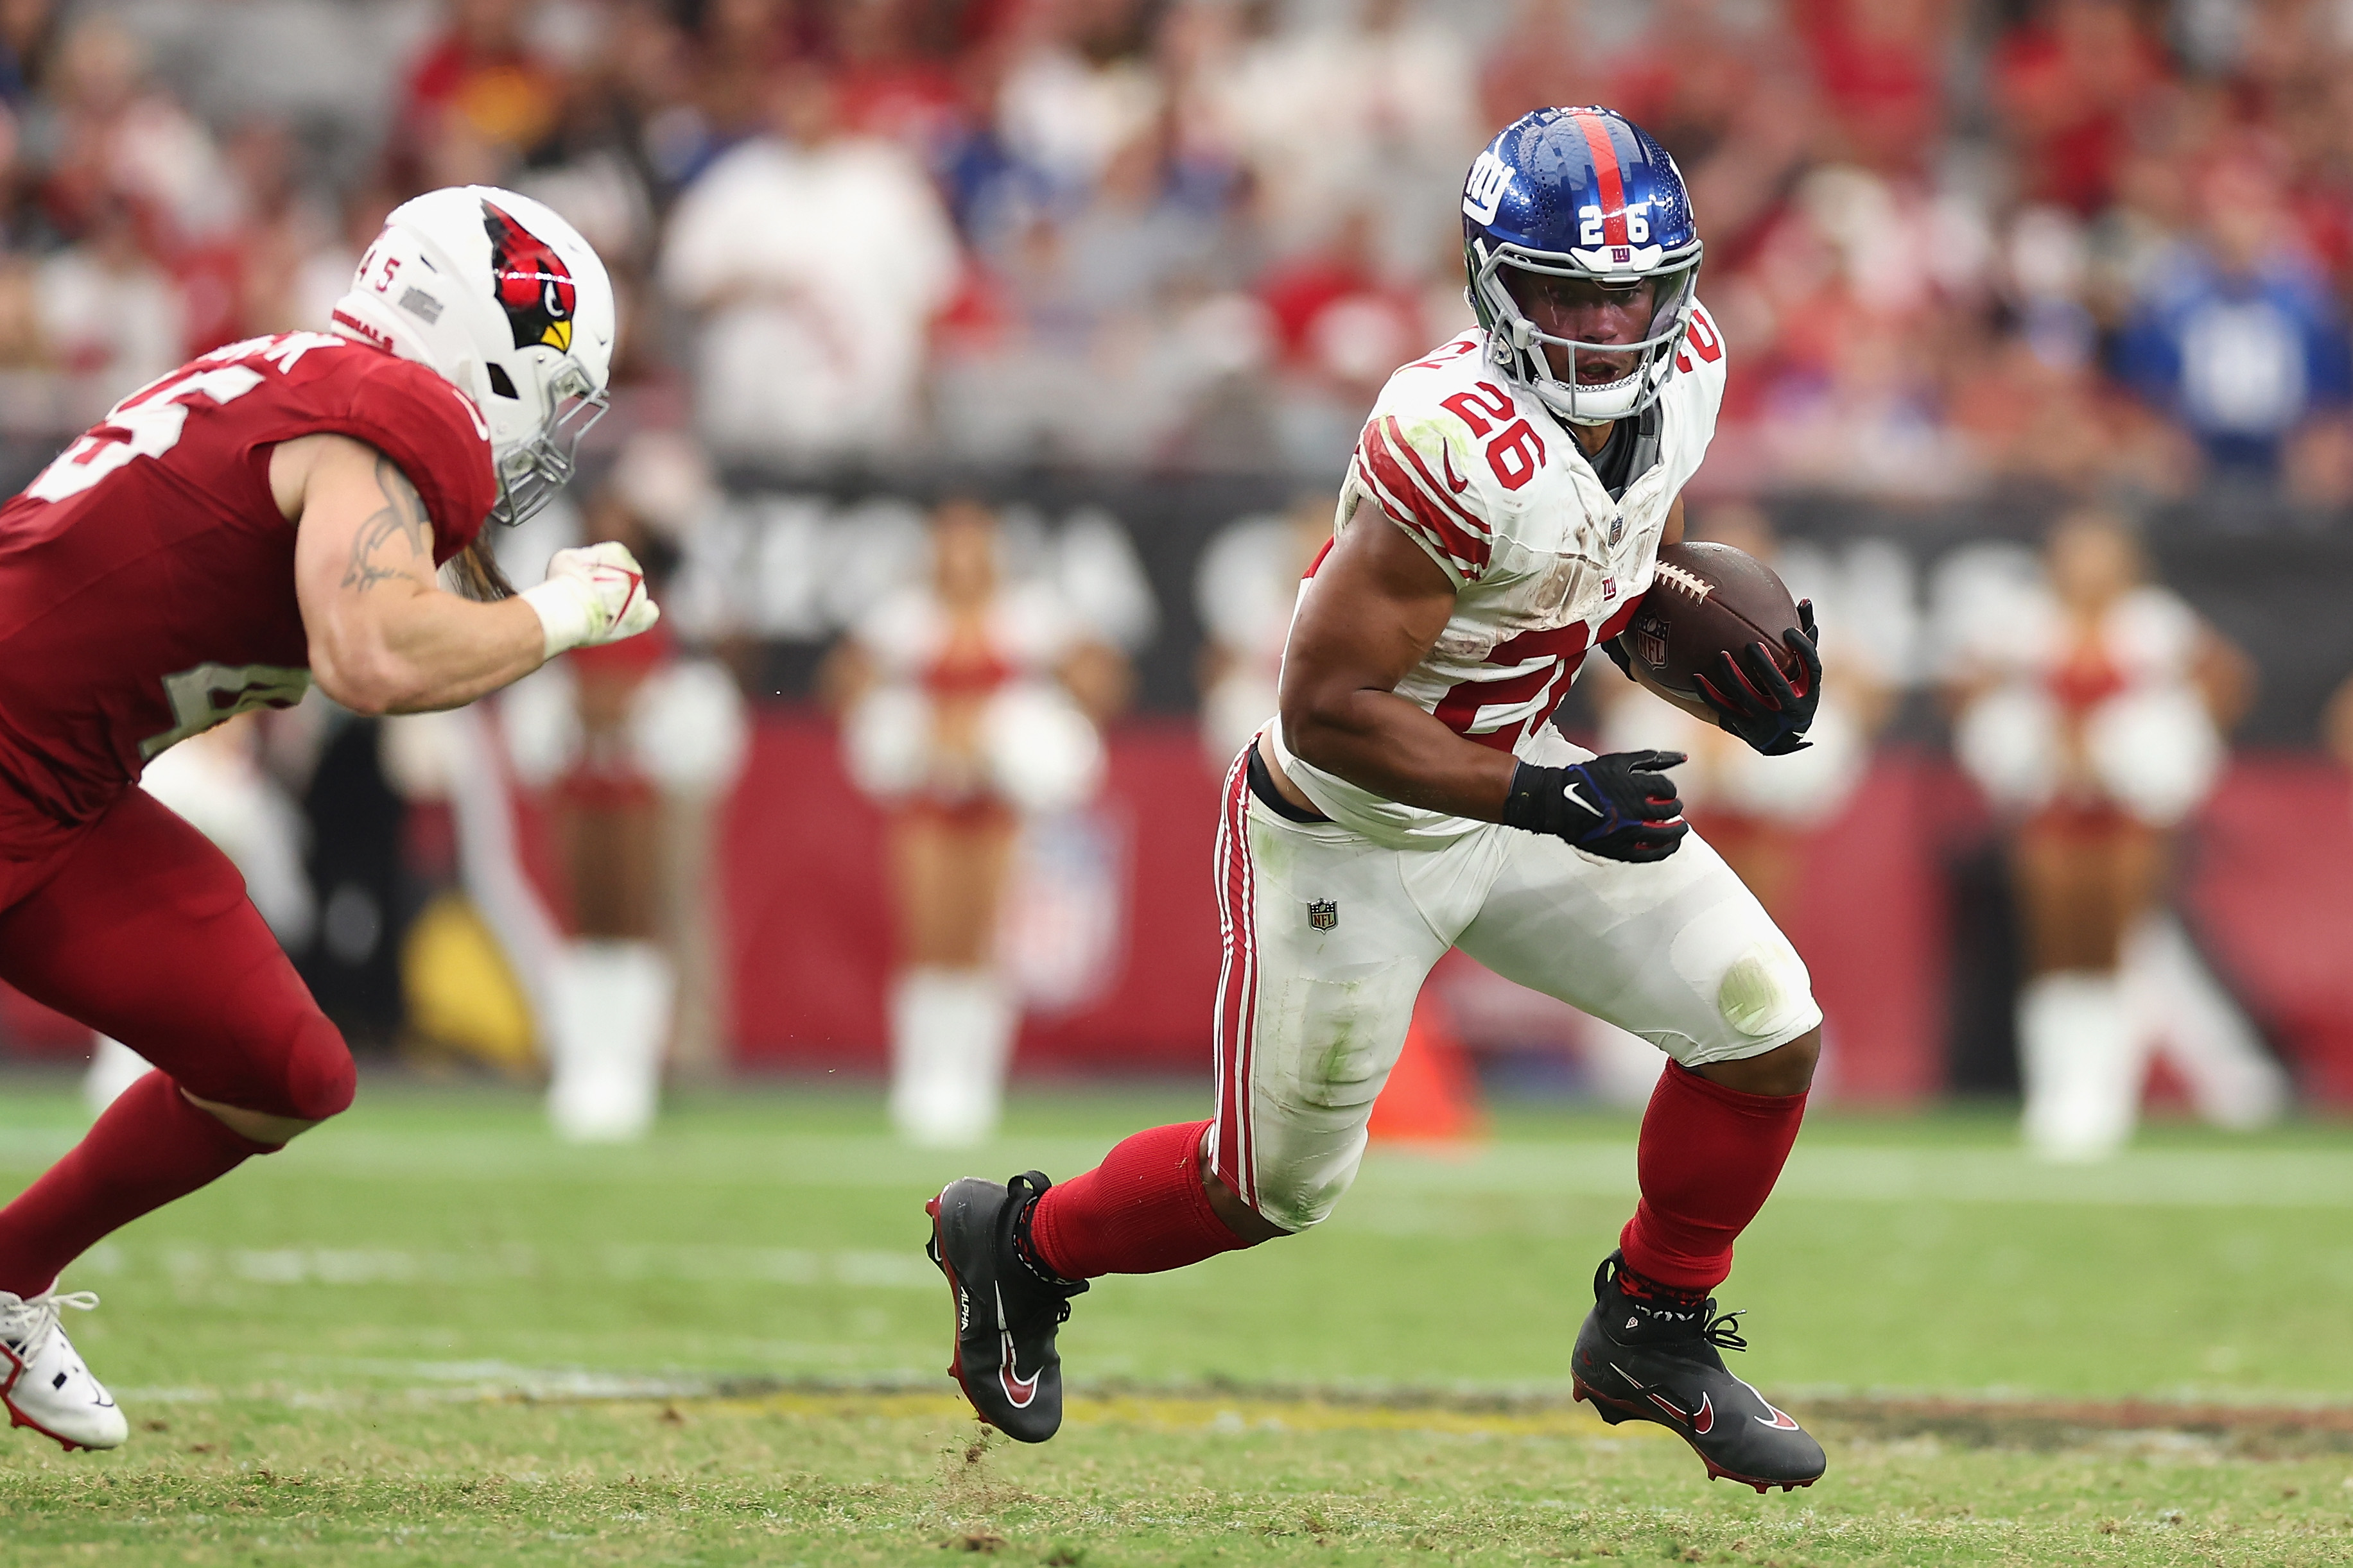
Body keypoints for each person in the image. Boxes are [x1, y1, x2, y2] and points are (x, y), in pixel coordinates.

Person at [926, 108, 1832, 1493]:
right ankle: (1021, 1244)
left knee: (1763, 1023)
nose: (1605, 329)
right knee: (1267, 1187)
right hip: (1351, 824)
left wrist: (1696, 647)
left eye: (1632, 294)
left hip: (1522, 783)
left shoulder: (1689, 370)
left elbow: (1594, 566)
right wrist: (1547, 792)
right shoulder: (1448, 437)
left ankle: (1648, 1328)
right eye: (1566, 296)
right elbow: (1327, 710)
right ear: (1490, 284)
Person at [0, 185, 659, 1451]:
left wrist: (539, 604)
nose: (547, 438)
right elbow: (374, 655)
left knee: (279, 1066)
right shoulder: (392, 408)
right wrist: (571, 611)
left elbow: (419, 602)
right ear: (482, 333)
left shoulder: (326, 383)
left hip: (61, 789)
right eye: (554, 385)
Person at [1950, 510, 2281, 1160]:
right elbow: (1969, 688)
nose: (2086, 568)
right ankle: (2055, 1091)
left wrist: (2158, 751)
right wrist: (2022, 741)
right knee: (2053, 946)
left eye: (2099, 554)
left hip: (2128, 808)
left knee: (2114, 945)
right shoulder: (2024, 623)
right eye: (2075, 553)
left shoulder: (2156, 624)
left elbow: (2223, 681)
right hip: (2050, 803)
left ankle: (2102, 1095)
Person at [827, 499, 1121, 1147]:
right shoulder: (904, 619)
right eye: (949, 543)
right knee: (929, 933)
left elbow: (1097, 673)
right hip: (927, 792)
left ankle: (973, 1082)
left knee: (983, 937)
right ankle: (921, 1078)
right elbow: (847, 678)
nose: (961, 558)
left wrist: (1049, 738)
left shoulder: (1030, 614)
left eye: (973, 543)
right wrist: (898, 733)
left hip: (998, 796)